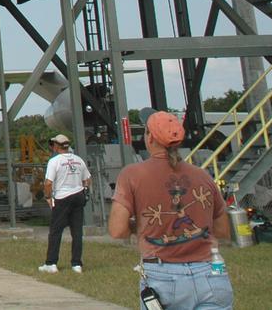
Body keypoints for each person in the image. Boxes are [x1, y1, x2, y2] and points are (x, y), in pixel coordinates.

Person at [109, 109, 232, 310]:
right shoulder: (203, 176)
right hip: (211, 272)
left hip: (163, 276)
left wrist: (138, 226)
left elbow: (117, 230)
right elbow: (222, 231)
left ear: (150, 138)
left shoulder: (131, 175)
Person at [39, 133, 91, 274]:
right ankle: (76, 264)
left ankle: (51, 263)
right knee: (77, 231)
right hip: (78, 195)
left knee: (56, 231)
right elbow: (87, 179)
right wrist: (85, 190)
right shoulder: (78, 160)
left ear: (56, 146)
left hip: (62, 197)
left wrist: (48, 197)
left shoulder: (54, 161)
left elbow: (48, 183)